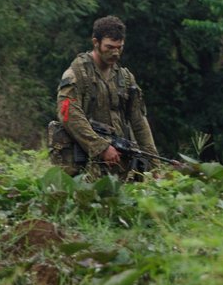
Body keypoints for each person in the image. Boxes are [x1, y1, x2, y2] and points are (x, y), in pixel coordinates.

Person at [52, 16, 157, 176]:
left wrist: (155, 166)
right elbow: (68, 115)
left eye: (119, 47)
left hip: (119, 163)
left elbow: (139, 122)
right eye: (109, 47)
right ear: (96, 42)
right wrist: (101, 147)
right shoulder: (77, 74)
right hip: (83, 164)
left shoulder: (126, 78)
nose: (115, 52)